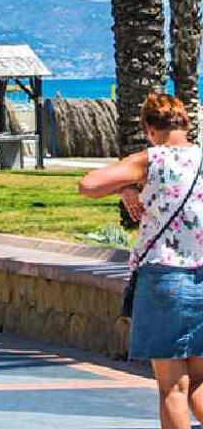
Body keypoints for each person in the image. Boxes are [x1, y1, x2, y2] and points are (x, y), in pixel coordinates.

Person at [79, 93, 203, 429]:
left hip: (164, 278)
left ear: (149, 128)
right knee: (199, 382)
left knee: (173, 387)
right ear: (187, 123)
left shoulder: (151, 160)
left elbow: (88, 184)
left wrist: (128, 186)